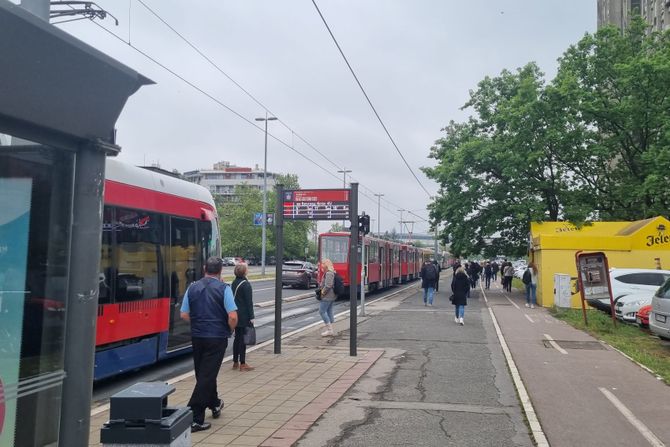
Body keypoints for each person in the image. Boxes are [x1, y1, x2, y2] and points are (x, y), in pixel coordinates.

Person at [180, 256, 238, 432]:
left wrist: (197, 323)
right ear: (220, 271)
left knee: (203, 373)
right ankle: (194, 417)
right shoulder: (224, 289)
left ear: (204, 268)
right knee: (207, 375)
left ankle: (214, 403)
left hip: (198, 336)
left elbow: (183, 314)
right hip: (217, 337)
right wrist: (230, 329)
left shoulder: (192, 287)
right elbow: (233, 316)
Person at [231, 263, 255, 371]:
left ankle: (235, 362)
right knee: (243, 340)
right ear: (244, 272)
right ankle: (243, 363)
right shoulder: (246, 284)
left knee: (237, 338)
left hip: (236, 314)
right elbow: (249, 302)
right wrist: (252, 316)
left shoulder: (234, 282)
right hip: (244, 315)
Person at [319, 259, 337, 336]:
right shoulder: (329, 272)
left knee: (322, 311)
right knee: (329, 311)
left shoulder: (329, 273)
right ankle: (331, 329)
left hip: (328, 296)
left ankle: (330, 330)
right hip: (331, 295)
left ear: (326, 264)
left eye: (322, 264)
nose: (321, 265)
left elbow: (328, 285)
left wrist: (322, 293)